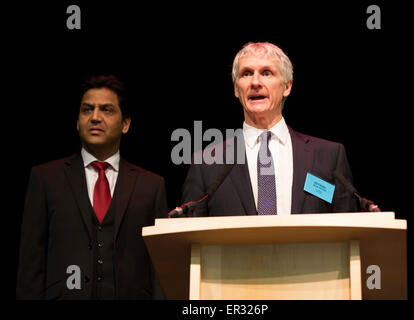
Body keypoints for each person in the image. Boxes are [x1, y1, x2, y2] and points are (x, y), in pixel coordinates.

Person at [16, 75, 167, 299]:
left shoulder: (152, 185)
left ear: (125, 124)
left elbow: (159, 268)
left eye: (106, 110)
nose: (95, 117)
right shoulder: (45, 178)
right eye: (87, 110)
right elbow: (31, 264)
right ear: (77, 122)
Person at [181, 42, 358, 216]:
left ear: (287, 86)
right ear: (236, 88)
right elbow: (189, 236)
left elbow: (350, 228)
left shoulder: (329, 156)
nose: (255, 82)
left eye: (267, 73)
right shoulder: (206, 164)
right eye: (247, 73)